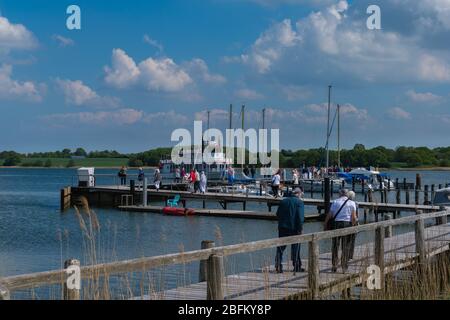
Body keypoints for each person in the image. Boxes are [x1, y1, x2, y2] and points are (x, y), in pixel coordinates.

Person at [324, 189, 358, 273]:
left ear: (339, 194)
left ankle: (334, 265)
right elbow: (353, 218)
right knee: (345, 246)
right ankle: (344, 266)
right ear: (347, 195)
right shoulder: (352, 203)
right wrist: (353, 225)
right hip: (347, 224)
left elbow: (330, 215)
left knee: (335, 245)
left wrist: (325, 225)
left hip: (336, 224)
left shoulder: (335, 202)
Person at [275, 188, 305, 273]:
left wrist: (281, 223)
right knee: (296, 248)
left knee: (280, 248)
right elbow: (300, 217)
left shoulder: (283, 201)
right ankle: (296, 266)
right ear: (298, 193)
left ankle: (278, 266)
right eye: (301, 194)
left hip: (283, 228)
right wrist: (300, 228)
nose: (301, 195)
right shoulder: (299, 202)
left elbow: (277, 214)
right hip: (295, 228)